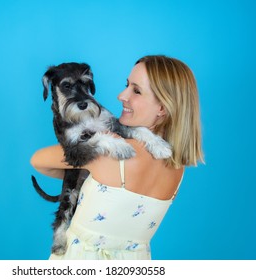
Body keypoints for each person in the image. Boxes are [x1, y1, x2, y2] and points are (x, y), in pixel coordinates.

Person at [30, 55, 204, 260]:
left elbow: (38, 160)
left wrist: (94, 151)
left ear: (162, 108)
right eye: (127, 85)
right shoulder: (177, 166)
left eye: (136, 91)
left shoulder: (107, 157)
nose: (121, 95)